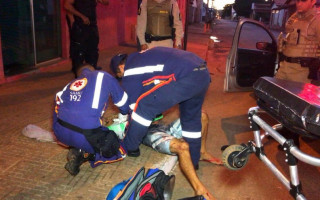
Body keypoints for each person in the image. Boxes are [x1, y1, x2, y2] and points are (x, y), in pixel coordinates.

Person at [109, 47, 211, 169]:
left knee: (143, 107)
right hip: (202, 72)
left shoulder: (130, 71)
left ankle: (130, 147)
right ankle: (193, 161)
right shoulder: (142, 58)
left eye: (120, 76)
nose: (122, 78)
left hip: (185, 75)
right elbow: (154, 88)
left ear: (120, 68)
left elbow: (135, 107)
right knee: (190, 119)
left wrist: (130, 127)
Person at [53, 64, 129, 176]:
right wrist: (126, 116)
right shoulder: (104, 76)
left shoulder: (68, 86)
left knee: (85, 128)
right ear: (93, 70)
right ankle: (87, 155)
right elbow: (123, 104)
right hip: (83, 135)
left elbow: (57, 113)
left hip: (60, 134)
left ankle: (78, 147)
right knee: (119, 150)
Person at [276, 0, 320, 84]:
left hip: (302, 72)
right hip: (284, 67)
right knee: (274, 94)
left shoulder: (317, 20)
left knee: (295, 96)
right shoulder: (293, 18)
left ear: (313, 1)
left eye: (303, 1)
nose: (299, 4)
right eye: (297, 1)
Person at [64, 0, 109, 77]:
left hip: (92, 25)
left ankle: (92, 70)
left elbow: (106, 2)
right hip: (80, 25)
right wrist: (81, 16)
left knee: (93, 50)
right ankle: (78, 75)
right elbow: (67, 5)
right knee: (79, 52)